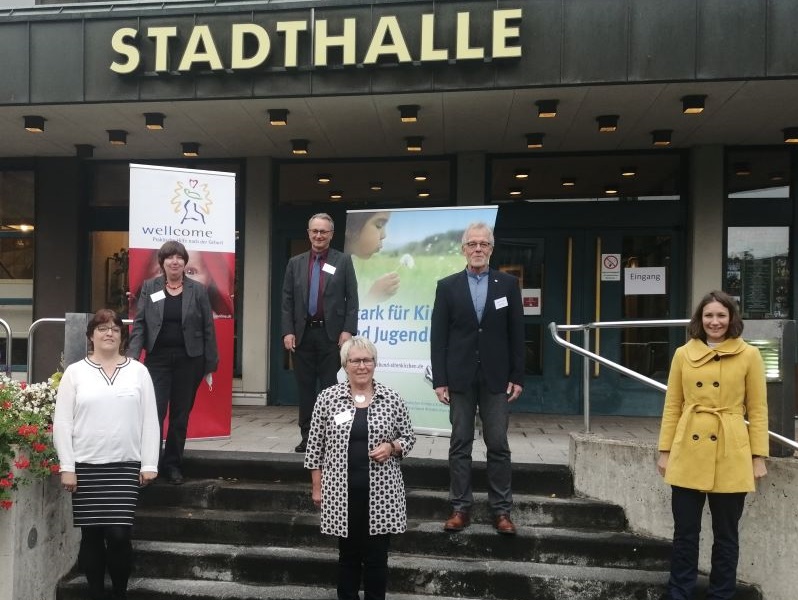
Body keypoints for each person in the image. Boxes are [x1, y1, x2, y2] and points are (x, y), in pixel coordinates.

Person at [657, 290, 769, 600]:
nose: (715, 321)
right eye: (709, 315)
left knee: (727, 536)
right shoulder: (683, 354)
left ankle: (721, 595)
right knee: (685, 535)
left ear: (732, 318)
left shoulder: (749, 355)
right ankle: (679, 593)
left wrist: (758, 456)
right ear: (700, 319)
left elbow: (758, 410)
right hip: (688, 449)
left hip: (731, 449)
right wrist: (665, 451)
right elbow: (672, 405)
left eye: (721, 315)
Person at [53, 309, 160, 600]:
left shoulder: (138, 372)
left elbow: (150, 419)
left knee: (119, 535)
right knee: (91, 535)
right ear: (91, 335)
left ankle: (120, 593)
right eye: (102, 328)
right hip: (86, 465)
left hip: (125, 465)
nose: (109, 332)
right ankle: (97, 593)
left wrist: (149, 462)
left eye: (114, 328)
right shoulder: (75, 373)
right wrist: (68, 465)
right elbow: (63, 422)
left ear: (122, 335)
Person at [430, 222, 525, 535]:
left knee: (498, 444)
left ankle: (501, 512)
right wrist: (440, 380)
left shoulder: (508, 285)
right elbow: (439, 338)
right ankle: (460, 508)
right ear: (463, 249)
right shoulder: (447, 286)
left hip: (497, 378)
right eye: (472, 244)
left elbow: (517, 334)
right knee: (460, 443)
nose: (478, 249)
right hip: (459, 377)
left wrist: (517, 376)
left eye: (484, 244)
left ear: (491, 249)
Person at [304, 336, 415, 600]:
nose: (362, 366)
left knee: (377, 559)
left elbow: (409, 437)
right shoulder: (328, 398)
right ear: (345, 365)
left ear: (375, 364)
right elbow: (314, 448)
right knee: (348, 557)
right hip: (342, 495)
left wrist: (392, 447)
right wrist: (316, 488)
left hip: (382, 495)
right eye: (355, 360)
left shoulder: (392, 398)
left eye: (367, 360)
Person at [127, 240, 218, 485]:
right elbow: (140, 324)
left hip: (190, 360)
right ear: (163, 262)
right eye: (170, 257)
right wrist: (132, 359)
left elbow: (207, 327)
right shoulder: (150, 287)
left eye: (179, 257)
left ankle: (173, 464)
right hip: (157, 360)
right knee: (154, 413)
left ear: (184, 262)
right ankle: (151, 465)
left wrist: (210, 363)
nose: (175, 261)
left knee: (180, 416)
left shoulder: (197, 290)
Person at [282, 213, 359, 453]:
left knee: (332, 389)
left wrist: (347, 330)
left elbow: (352, 299)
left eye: (323, 231)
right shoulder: (295, 263)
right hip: (303, 336)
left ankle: (334, 437)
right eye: (315, 231)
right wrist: (287, 331)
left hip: (331, 336)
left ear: (331, 234)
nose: (318, 236)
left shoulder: (343, 261)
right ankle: (307, 437)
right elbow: (287, 300)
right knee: (305, 389)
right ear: (309, 233)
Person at [344, 210, 400, 303]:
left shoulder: (348, 263)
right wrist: (374, 297)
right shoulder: (328, 267)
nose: (384, 235)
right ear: (350, 227)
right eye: (379, 225)